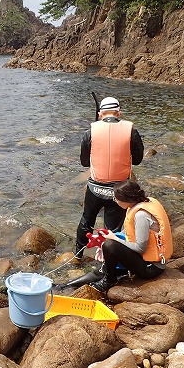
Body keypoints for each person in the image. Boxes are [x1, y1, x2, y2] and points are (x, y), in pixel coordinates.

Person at [74, 97, 144, 260]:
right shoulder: (131, 130)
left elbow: (84, 162)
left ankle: (78, 256)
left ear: (100, 114)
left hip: (94, 189)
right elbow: (138, 160)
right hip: (119, 192)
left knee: (87, 221)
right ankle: (108, 262)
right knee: (113, 228)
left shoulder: (90, 131)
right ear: (119, 113)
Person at [89, 179, 172, 293]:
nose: (115, 201)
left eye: (116, 198)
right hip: (143, 259)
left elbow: (140, 248)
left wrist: (114, 239)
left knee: (110, 245)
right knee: (104, 254)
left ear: (125, 199)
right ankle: (63, 286)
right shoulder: (143, 203)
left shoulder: (141, 215)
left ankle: (110, 281)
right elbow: (127, 233)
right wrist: (104, 240)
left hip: (151, 267)